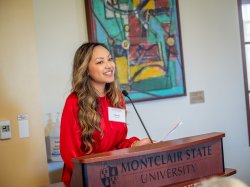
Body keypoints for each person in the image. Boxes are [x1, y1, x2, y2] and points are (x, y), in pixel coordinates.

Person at [60, 42, 151, 186]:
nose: (109, 65)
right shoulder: (74, 101)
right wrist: (95, 178)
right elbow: (70, 153)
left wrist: (135, 144)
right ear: (86, 70)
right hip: (87, 180)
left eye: (109, 59)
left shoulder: (117, 98)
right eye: (100, 62)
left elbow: (118, 142)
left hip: (113, 176)